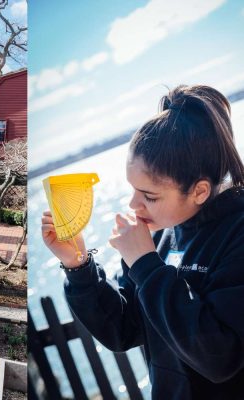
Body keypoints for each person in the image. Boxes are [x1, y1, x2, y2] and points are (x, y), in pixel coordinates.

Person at [41, 85, 244, 399]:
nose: (135, 204)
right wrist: (79, 265)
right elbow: (122, 329)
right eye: (133, 189)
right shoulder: (163, 233)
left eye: (150, 196)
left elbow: (220, 358)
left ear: (199, 191)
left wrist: (147, 267)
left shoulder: (237, 234)